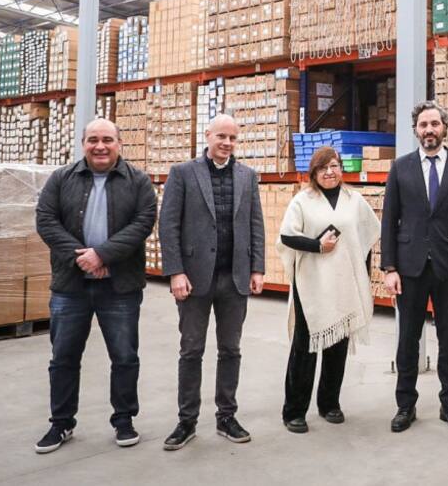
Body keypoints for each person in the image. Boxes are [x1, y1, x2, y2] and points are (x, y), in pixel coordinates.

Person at [33, 118, 157, 454]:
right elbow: (45, 219)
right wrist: (82, 258)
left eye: (107, 140)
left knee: (125, 356)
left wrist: (102, 255)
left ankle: (124, 420)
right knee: (63, 357)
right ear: (83, 143)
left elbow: (143, 222)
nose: (100, 146)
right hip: (70, 285)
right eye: (93, 140)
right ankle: (61, 424)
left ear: (119, 143)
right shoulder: (61, 179)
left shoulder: (138, 181)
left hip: (120, 286)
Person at [158, 114, 265, 450]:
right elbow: (168, 225)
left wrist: (257, 269)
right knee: (191, 350)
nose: (227, 143)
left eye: (233, 138)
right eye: (221, 136)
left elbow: (256, 225)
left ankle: (226, 416)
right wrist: (175, 271)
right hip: (193, 279)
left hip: (234, 279)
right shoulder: (183, 174)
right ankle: (186, 420)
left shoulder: (248, 176)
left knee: (230, 349)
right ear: (207, 135)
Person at [381, 101, 448, 433]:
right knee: (407, 338)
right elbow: (390, 220)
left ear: (444, 128)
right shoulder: (401, 167)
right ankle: (404, 406)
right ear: (415, 130)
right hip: (409, 268)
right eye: (423, 124)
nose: (429, 130)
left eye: (435, 124)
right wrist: (389, 267)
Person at [278, 146, 380, 433]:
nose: (329, 172)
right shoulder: (303, 200)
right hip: (310, 282)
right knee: (305, 348)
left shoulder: (354, 200)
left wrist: (363, 276)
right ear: (314, 173)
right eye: (323, 168)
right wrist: (317, 246)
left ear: (341, 169)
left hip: (343, 281)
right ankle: (294, 411)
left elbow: (367, 236)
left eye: (334, 166)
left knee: (337, 346)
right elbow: (287, 235)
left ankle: (329, 404)